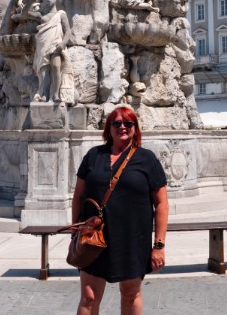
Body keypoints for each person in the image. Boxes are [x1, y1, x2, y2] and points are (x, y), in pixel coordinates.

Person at [71, 107, 168, 315]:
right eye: (116, 123)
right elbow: (78, 196)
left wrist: (159, 245)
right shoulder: (94, 156)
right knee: (89, 296)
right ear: (108, 128)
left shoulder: (147, 159)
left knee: (130, 293)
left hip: (133, 238)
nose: (122, 127)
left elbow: (161, 203)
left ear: (135, 128)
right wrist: (75, 232)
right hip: (94, 237)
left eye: (128, 123)